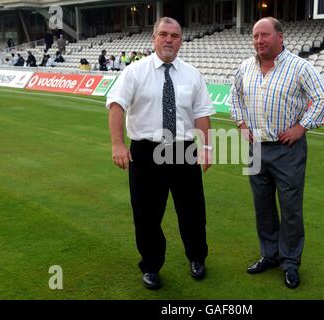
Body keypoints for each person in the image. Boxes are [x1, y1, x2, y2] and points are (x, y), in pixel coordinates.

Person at [106, 17, 215, 290]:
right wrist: (118, 144)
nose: (169, 40)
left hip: (183, 150)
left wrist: (206, 146)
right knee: (146, 215)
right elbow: (116, 106)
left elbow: (201, 114)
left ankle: (197, 258)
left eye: (175, 35)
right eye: (164, 34)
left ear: (181, 41)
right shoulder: (134, 72)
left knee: (192, 211)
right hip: (146, 151)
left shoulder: (193, 74)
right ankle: (151, 265)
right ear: (153, 38)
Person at [230, 17, 324, 289]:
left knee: (290, 210)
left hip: (287, 150)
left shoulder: (300, 67)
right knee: (262, 207)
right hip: (255, 149)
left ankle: (290, 263)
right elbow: (235, 98)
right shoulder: (245, 67)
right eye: (255, 36)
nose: (259, 41)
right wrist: (241, 124)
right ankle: (269, 255)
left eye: (264, 35)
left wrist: (302, 126)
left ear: (280, 37)